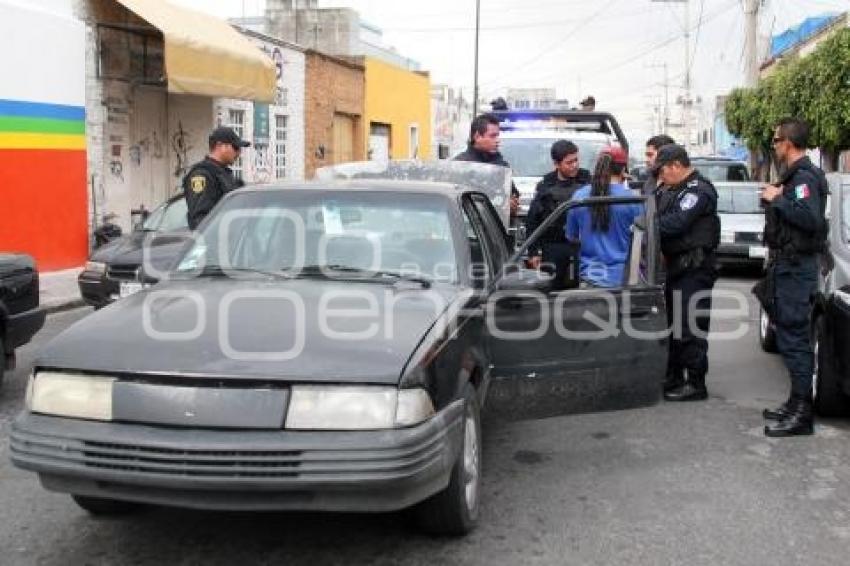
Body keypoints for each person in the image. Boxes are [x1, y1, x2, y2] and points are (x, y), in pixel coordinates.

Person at [760, 118, 828, 437]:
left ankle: (802, 414)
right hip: (787, 265)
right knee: (787, 337)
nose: (774, 146)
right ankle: (795, 402)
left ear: (788, 143)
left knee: (796, 340)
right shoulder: (795, 176)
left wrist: (778, 198)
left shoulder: (804, 177)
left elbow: (809, 218)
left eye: (776, 140)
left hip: (797, 268)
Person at [654, 144, 720, 402]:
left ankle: (695, 382)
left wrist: (649, 224)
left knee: (691, 325)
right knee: (674, 325)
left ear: (676, 166)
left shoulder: (698, 190)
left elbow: (678, 222)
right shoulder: (674, 190)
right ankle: (674, 375)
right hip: (677, 267)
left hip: (694, 269)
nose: (661, 176)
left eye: (664, 170)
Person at [565, 146, 643, 287]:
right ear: (623, 170)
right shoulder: (633, 199)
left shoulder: (579, 196)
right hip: (623, 279)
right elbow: (642, 241)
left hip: (589, 277)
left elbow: (572, 237)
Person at [524, 140, 591, 288]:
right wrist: (533, 252)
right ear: (557, 164)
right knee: (550, 288)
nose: (575, 165)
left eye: (576, 160)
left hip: (581, 246)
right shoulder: (545, 186)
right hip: (553, 245)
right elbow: (533, 221)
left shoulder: (587, 181)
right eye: (569, 162)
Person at [183, 126, 250, 230]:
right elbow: (201, 221)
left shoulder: (224, 174)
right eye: (235, 147)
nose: (238, 153)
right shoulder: (201, 175)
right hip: (216, 243)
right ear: (220, 146)